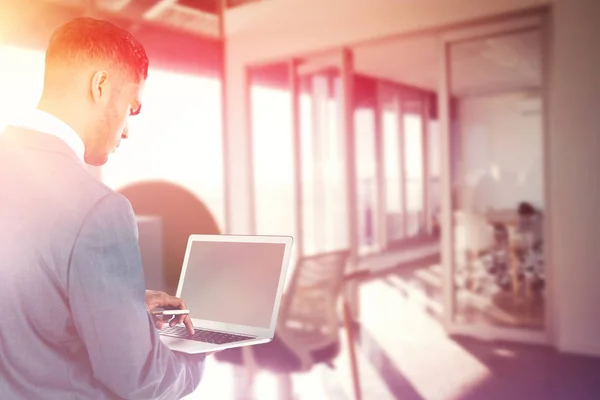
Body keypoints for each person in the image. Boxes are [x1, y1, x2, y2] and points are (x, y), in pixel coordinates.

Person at [0, 18, 206, 399]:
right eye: (132, 107)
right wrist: (200, 354)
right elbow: (141, 380)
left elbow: (22, 298)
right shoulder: (99, 209)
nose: (127, 129)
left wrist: (115, 302)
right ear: (99, 86)